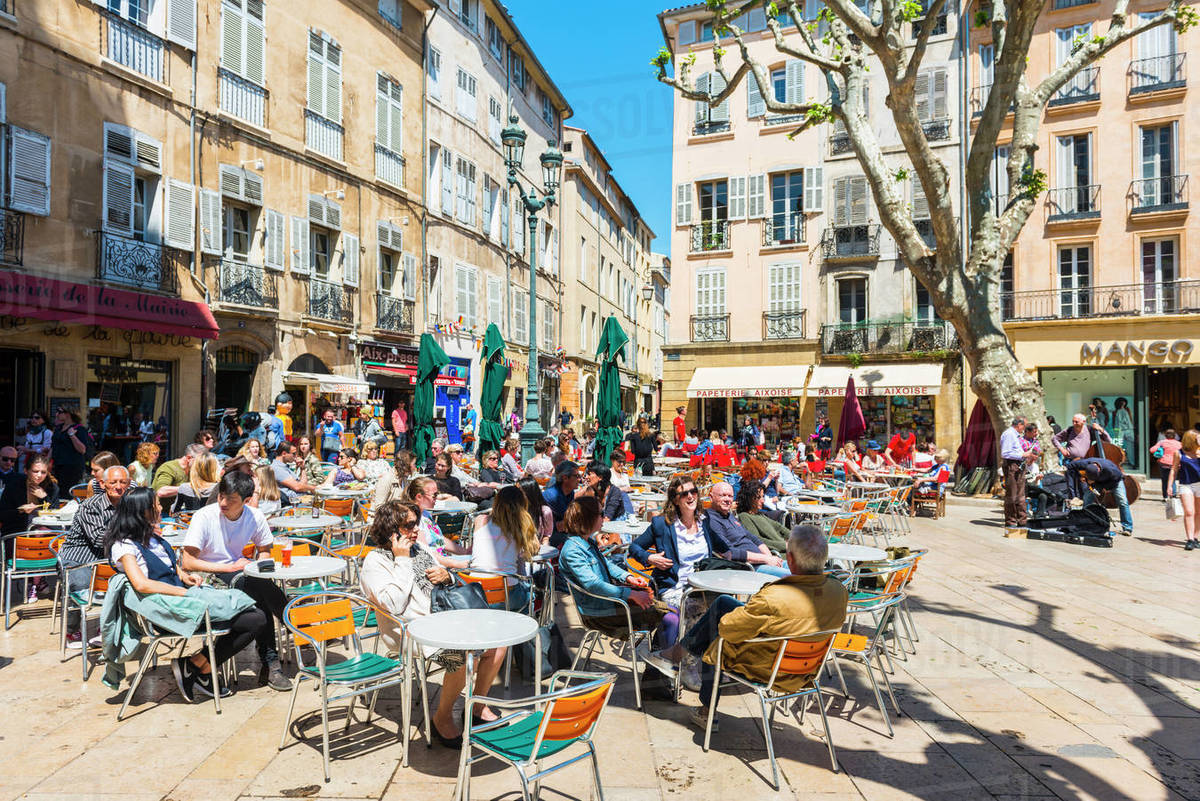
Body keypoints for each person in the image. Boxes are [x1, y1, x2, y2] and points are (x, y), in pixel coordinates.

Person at [359, 500, 507, 747]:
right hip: (409, 631)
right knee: (460, 657)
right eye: (408, 526)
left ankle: (478, 708)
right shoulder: (376, 561)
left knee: (497, 645)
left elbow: (446, 581)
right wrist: (402, 559)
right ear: (390, 528)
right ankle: (442, 718)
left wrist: (447, 576)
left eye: (415, 523)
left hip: (444, 620)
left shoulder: (421, 549)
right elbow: (393, 605)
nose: (416, 530)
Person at [103, 487, 268, 702]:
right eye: (156, 504)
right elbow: (141, 584)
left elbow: (169, 566)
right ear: (143, 511)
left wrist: (184, 576)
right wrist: (181, 591)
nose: (160, 508)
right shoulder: (124, 546)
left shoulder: (151, 537)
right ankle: (198, 667)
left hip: (181, 601)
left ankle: (196, 664)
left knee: (253, 615)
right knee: (255, 619)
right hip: (166, 612)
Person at [677, 525, 849, 729]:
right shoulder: (839, 591)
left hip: (769, 669)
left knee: (717, 632)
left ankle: (706, 708)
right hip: (807, 668)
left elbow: (728, 629)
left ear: (790, 560)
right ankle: (680, 652)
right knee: (724, 603)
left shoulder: (774, 597)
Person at [179, 471, 289, 691]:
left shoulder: (254, 516)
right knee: (257, 588)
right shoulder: (205, 516)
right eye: (221, 496)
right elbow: (188, 562)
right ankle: (290, 622)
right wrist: (229, 567)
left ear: (246, 501)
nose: (223, 502)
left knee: (257, 590)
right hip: (207, 576)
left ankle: (273, 658)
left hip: (240, 575)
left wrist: (260, 563)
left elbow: (265, 549)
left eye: (231, 499)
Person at [629, 475, 729, 654]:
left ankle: (710, 663)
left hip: (703, 587)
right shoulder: (662, 525)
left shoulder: (703, 522)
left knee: (727, 610)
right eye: (684, 494)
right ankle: (684, 664)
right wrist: (650, 558)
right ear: (675, 499)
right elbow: (634, 547)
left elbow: (724, 548)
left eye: (693, 492)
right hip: (674, 587)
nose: (690, 497)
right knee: (697, 613)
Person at [559, 495, 669, 651]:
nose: (604, 517)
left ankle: (659, 658)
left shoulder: (586, 541)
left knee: (668, 611)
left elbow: (607, 564)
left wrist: (628, 577)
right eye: (600, 513)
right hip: (600, 614)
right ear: (588, 518)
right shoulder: (573, 550)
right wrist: (630, 594)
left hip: (609, 605)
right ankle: (659, 663)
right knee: (669, 615)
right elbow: (593, 585)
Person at [59, 465, 131, 645]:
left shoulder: (129, 503)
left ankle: (108, 627)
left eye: (123, 482)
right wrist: (133, 530)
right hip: (79, 557)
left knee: (136, 580)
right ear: (102, 483)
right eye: (113, 482)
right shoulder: (90, 506)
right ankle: (71, 631)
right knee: (84, 589)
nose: (118, 486)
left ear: (129, 484)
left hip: (108, 559)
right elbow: (100, 539)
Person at [0, 456, 60, 605]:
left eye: (43, 472)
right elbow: (2, 514)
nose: (39, 475)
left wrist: (44, 497)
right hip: (16, 535)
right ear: (26, 470)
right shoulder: (14, 485)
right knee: (38, 535)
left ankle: (33, 582)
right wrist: (20, 511)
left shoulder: (52, 487)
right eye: (35, 471)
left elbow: (56, 516)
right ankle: (35, 582)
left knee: (43, 532)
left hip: (42, 537)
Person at [469, 485, 539, 610]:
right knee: (532, 594)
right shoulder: (522, 525)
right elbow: (533, 550)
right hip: (506, 595)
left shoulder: (480, 520)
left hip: (476, 594)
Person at [706, 482, 790, 577]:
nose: (727, 499)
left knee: (806, 570)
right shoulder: (711, 520)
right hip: (748, 568)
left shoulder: (730, 516)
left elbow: (753, 538)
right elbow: (729, 552)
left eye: (730, 496)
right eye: (723, 495)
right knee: (795, 576)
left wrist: (769, 557)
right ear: (711, 497)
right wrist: (765, 559)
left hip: (764, 561)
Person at [405, 476, 470, 569]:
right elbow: (426, 552)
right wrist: (456, 564)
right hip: (432, 567)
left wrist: (465, 552)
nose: (437, 498)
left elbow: (439, 540)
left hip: (442, 561)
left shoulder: (425, 514)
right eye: (434, 495)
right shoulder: (413, 520)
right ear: (419, 497)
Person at [1067, 456, 1132, 536]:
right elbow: (1070, 466)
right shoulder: (1084, 463)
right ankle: (1084, 522)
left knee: (1122, 501)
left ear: (1099, 470)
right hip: (1097, 482)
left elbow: (1116, 479)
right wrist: (1081, 476)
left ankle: (1127, 527)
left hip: (1115, 481)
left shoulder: (1110, 469)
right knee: (1087, 498)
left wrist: (1099, 486)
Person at [1053, 413, 1112, 497]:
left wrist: (1100, 429)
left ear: (1083, 422)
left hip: (1084, 462)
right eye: (1073, 421)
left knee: (1083, 485)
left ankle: (1083, 504)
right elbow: (1055, 439)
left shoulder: (1089, 430)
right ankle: (1072, 503)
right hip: (1070, 461)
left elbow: (1108, 440)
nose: (1074, 424)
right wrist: (1062, 449)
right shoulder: (1069, 430)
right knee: (1071, 486)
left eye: (1076, 422)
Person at [1000, 417, 1035, 534]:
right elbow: (1006, 453)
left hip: (1018, 465)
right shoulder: (1009, 434)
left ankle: (1022, 520)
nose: (1024, 430)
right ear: (1019, 425)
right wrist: (1023, 454)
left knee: (1020, 494)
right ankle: (1011, 520)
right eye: (1024, 427)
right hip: (1012, 465)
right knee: (1012, 493)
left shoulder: (1015, 435)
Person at [1167, 429, 1200, 551]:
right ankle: (1190, 539)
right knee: (1189, 512)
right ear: (1191, 439)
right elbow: (1174, 469)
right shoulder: (1179, 453)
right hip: (1186, 485)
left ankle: (1196, 538)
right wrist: (1170, 485)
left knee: (1199, 513)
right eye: (1197, 438)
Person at [735, 481, 789, 555]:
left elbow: (779, 527)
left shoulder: (759, 514)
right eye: (758, 497)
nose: (763, 500)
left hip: (786, 549)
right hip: (777, 553)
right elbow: (757, 540)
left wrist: (796, 537)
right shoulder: (744, 516)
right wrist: (784, 545)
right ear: (749, 498)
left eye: (763, 496)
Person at [50, 407, 93, 490]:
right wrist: (48, 462)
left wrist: (72, 435)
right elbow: (53, 446)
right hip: (58, 466)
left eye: (59, 412)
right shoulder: (58, 428)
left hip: (72, 468)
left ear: (68, 414)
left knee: (69, 492)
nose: (57, 414)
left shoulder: (79, 429)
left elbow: (82, 450)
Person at [153, 443, 206, 507]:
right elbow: (161, 491)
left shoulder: (193, 469)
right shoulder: (169, 467)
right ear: (189, 458)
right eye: (200, 461)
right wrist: (189, 487)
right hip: (163, 513)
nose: (202, 464)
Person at [542, 461, 580, 547]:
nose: (579, 479)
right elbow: (572, 521)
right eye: (576, 476)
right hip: (547, 536)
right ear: (565, 478)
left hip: (560, 531)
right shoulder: (553, 495)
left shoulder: (570, 492)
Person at [517, 477, 554, 542]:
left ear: (528, 493)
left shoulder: (545, 511)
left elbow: (546, 535)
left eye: (518, 491)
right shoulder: (514, 510)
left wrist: (544, 546)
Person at [1151, 430, 1183, 499]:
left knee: (1164, 479)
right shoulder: (1179, 444)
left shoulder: (1162, 442)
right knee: (1173, 479)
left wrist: (1160, 448)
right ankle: (1173, 494)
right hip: (1175, 464)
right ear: (1175, 436)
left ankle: (1165, 496)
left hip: (1164, 463)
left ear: (1165, 435)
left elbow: (1152, 450)